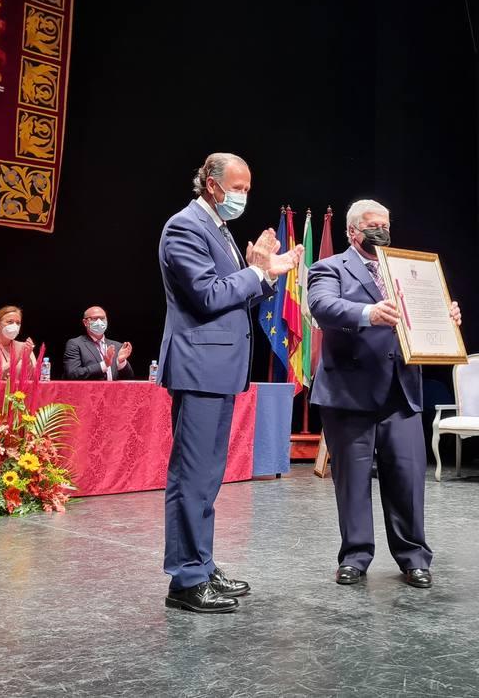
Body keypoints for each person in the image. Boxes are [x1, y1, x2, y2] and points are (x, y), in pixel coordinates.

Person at [157, 152, 301, 613]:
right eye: (237, 187)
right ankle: (185, 579)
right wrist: (258, 271)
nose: (242, 196)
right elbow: (207, 294)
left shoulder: (219, 230)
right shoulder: (184, 227)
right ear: (211, 184)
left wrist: (266, 274)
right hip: (199, 367)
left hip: (219, 369)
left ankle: (201, 561)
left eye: (247, 188)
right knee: (192, 475)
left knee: (208, 476)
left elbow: (236, 292)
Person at [308, 199, 461, 589]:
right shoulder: (330, 268)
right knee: (353, 481)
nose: (381, 231)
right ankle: (355, 557)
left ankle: (414, 558)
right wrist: (368, 314)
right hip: (349, 393)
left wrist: (445, 315)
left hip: (401, 390)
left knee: (407, 479)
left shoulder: (404, 269)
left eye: (386, 225)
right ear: (352, 231)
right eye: (373, 225)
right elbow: (322, 306)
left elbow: (421, 312)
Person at [62, 306, 135, 381]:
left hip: (113, 392)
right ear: (85, 322)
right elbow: (72, 374)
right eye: (95, 318)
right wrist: (104, 365)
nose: (99, 321)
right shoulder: (75, 344)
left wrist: (121, 362)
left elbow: (129, 378)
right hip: (89, 392)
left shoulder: (117, 346)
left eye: (102, 318)